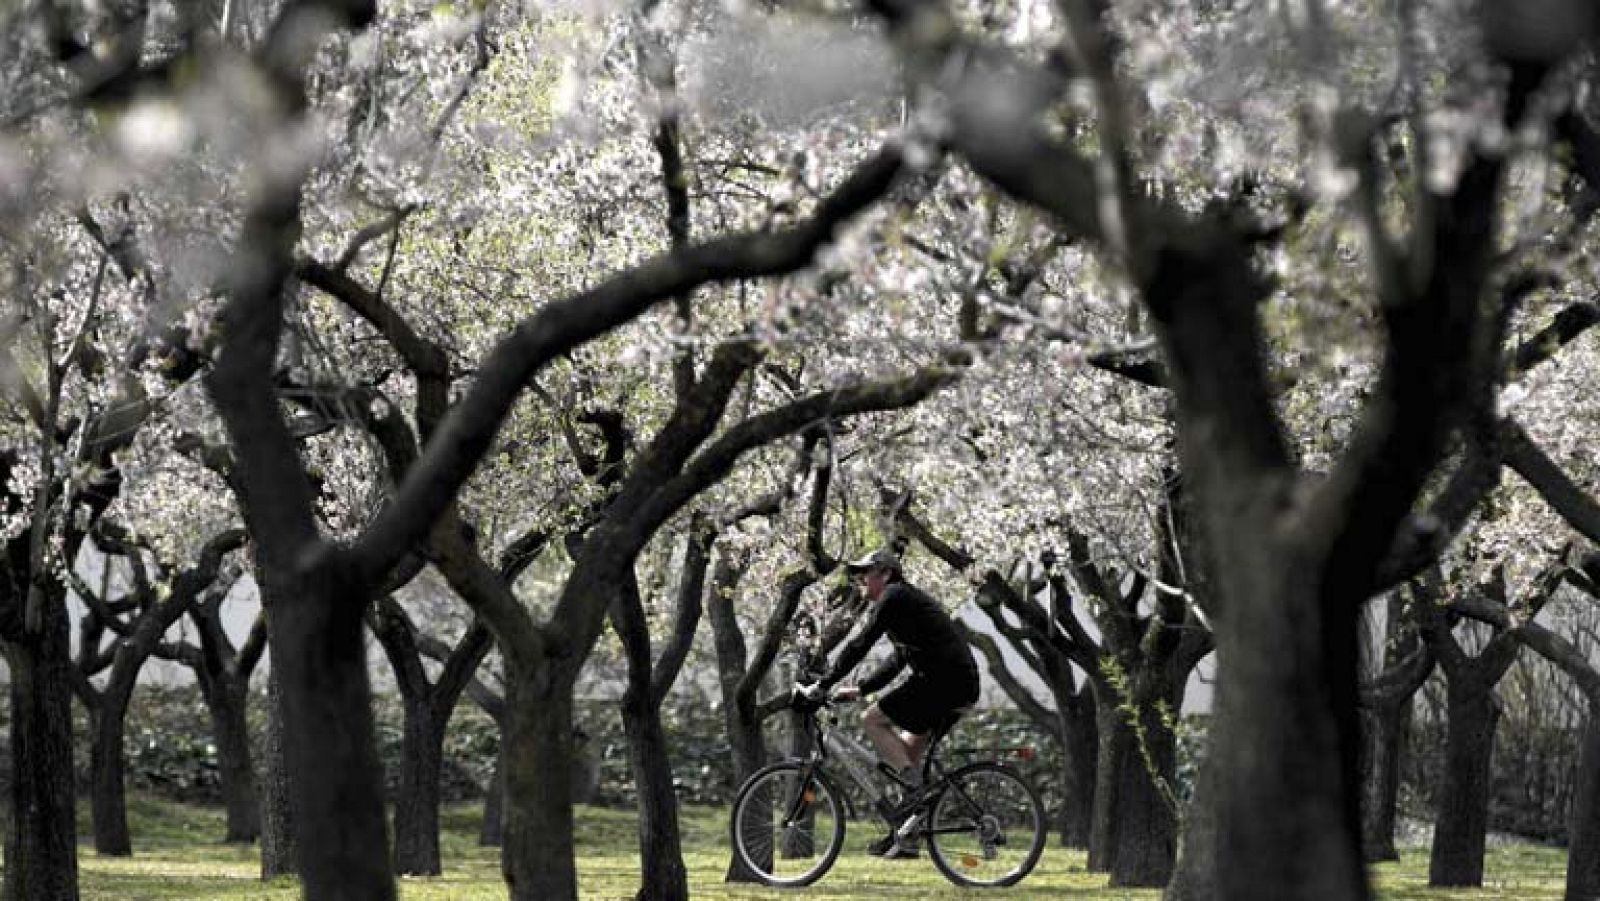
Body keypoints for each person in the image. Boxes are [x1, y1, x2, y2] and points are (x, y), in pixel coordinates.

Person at [800, 548, 980, 857]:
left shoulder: (894, 596)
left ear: (885, 574)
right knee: (906, 756)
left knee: (872, 720)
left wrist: (824, 683)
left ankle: (914, 796)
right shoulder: (903, 603)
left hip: (943, 681)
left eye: (865, 574)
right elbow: (898, 659)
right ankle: (906, 837)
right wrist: (861, 688)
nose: (860, 581)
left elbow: (861, 643)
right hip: (957, 684)